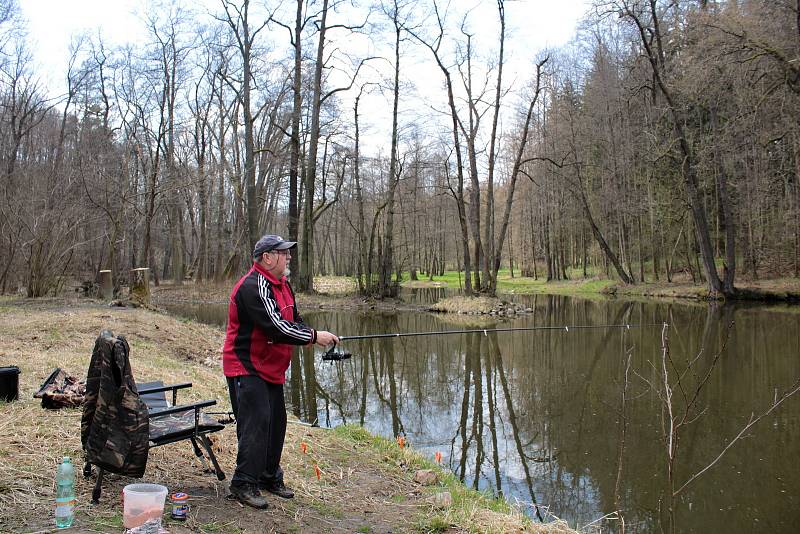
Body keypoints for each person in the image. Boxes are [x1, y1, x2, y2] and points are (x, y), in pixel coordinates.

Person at [222, 234, 338, 509]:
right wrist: (312, 336)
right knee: (256, 422)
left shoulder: (283, 284)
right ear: (267, 257)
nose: (288, 257)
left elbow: (292, 320)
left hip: (272, 367)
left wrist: (311, 335)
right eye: (283, 253)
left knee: (277, 423)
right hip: (246, 366)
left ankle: (268, 476)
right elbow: (275, 326)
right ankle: (243, 483)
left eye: (288, 253)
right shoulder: (253, 286)